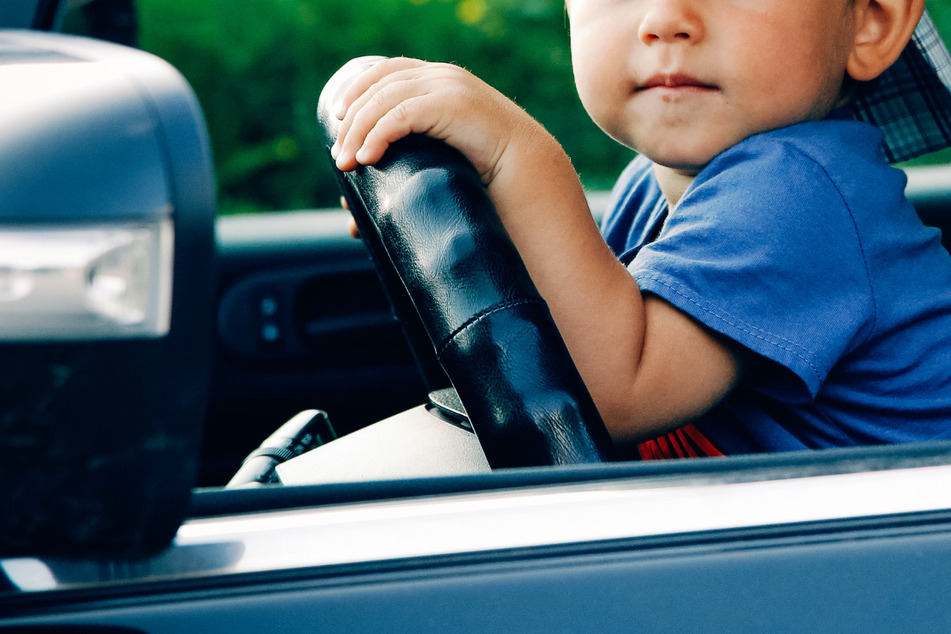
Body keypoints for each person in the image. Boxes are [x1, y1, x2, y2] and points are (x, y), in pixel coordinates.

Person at [330, 0, 951, 458]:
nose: (665, 17)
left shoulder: (800, 193)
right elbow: (565, 337)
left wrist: (518, 158)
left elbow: (601, 397)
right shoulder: (651, 186)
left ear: (871, 19)